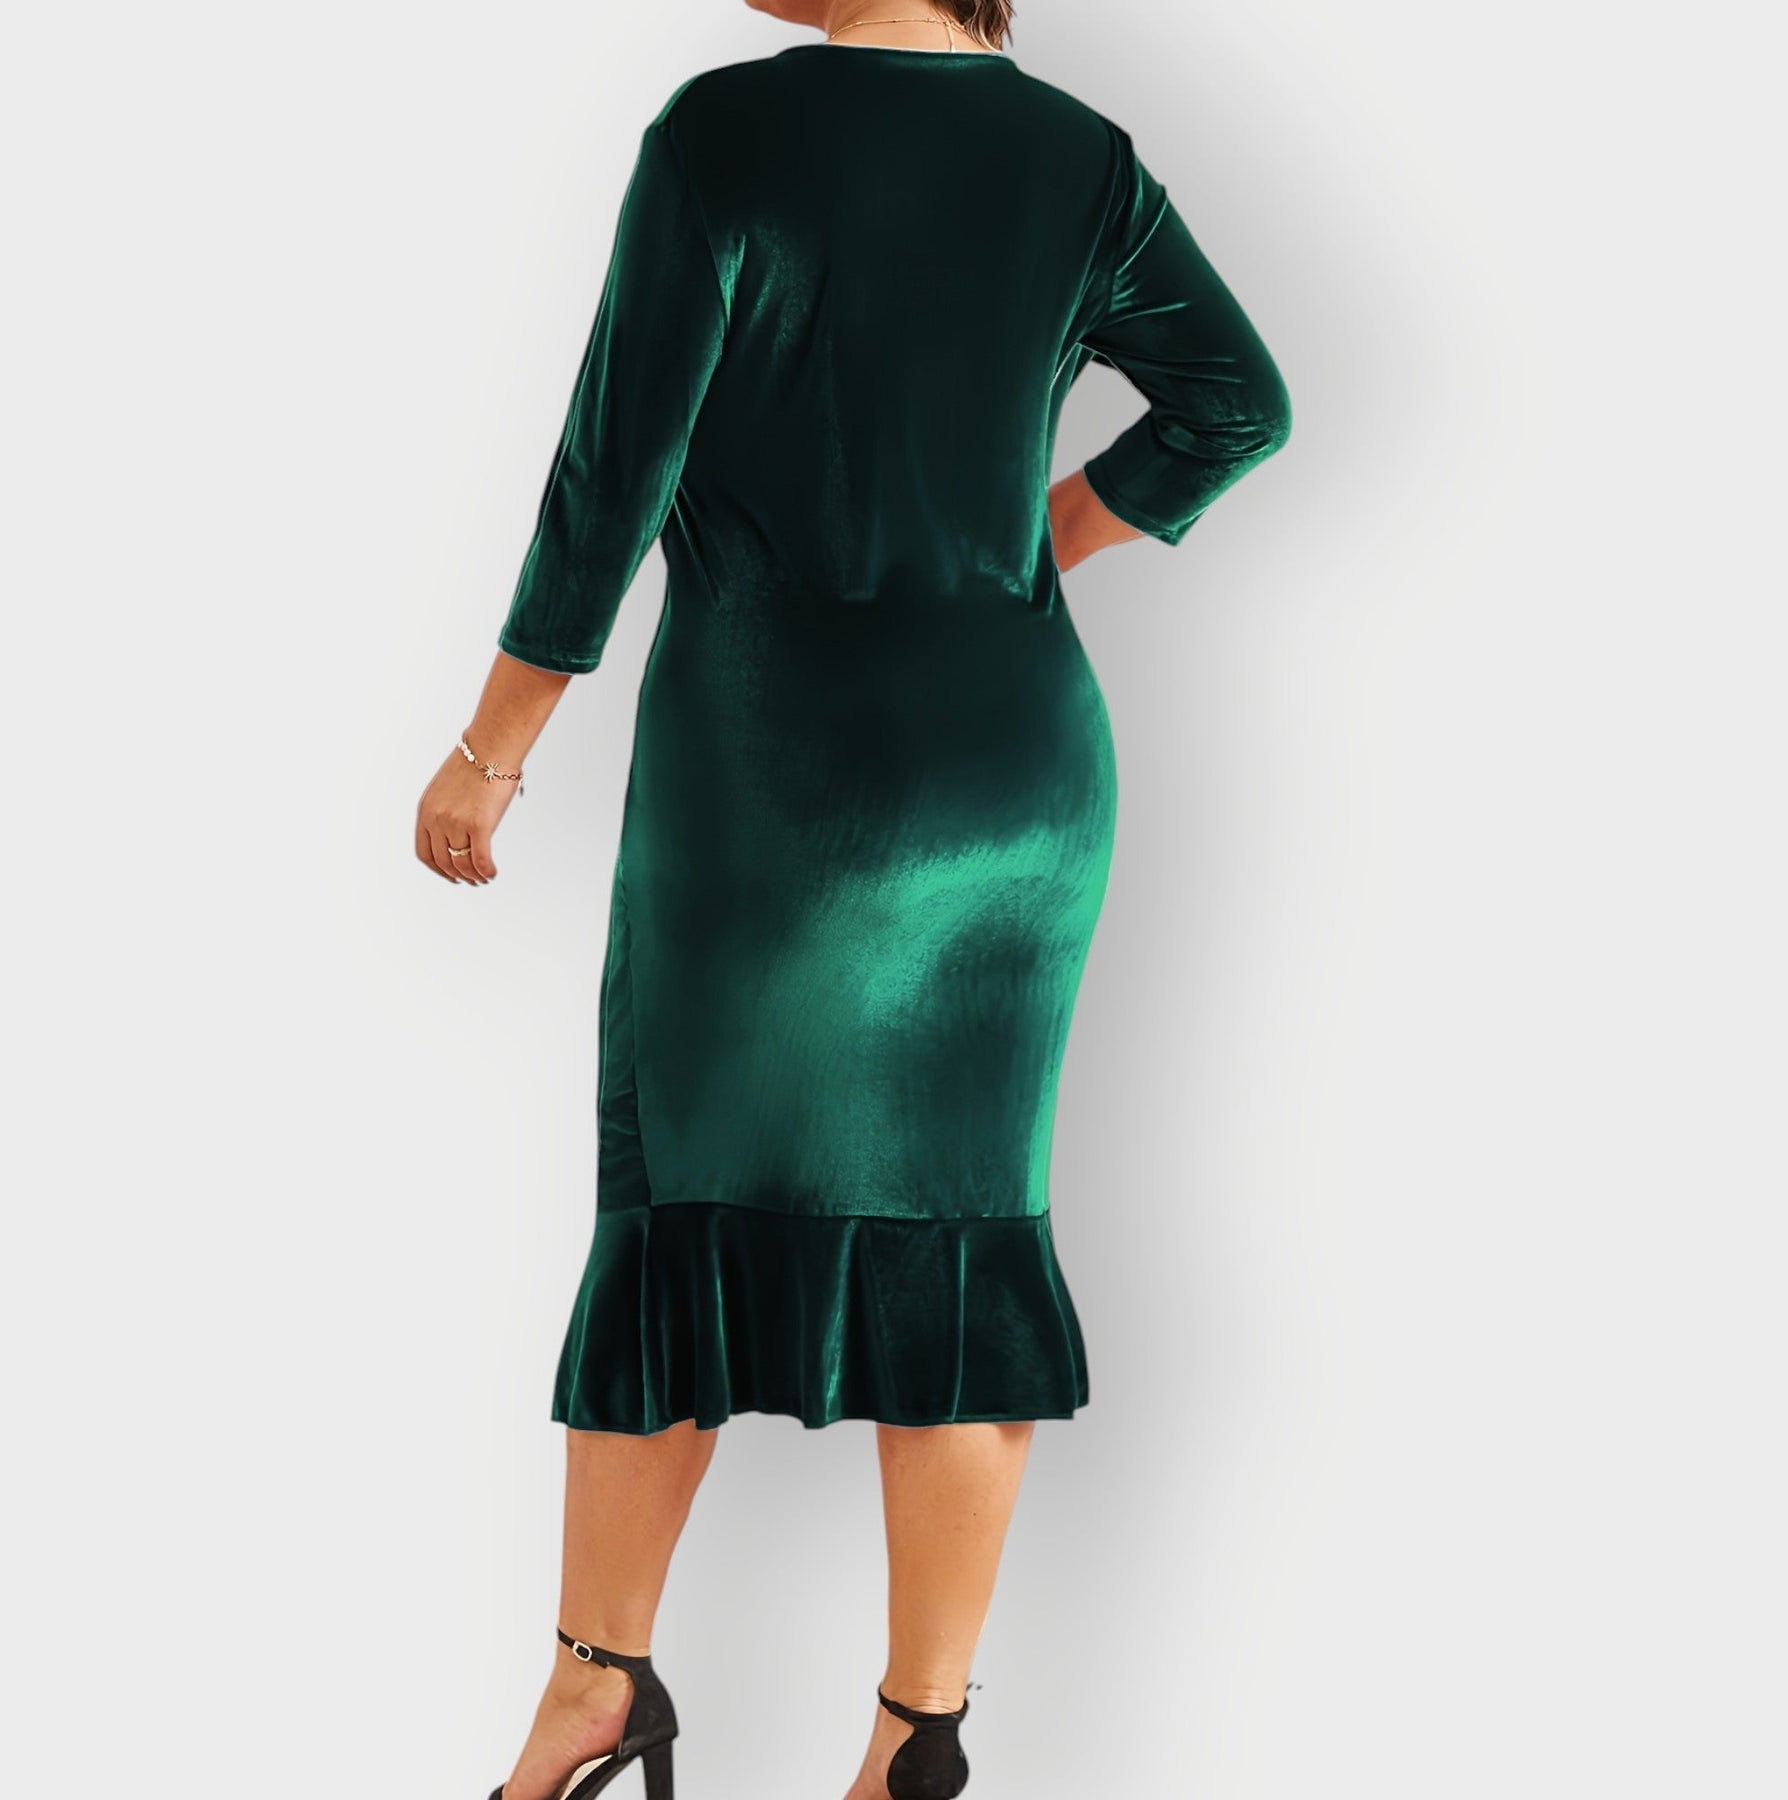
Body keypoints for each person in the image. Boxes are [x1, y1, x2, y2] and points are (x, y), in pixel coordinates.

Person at [414, 3, 1292, 1795]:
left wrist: (491, 748)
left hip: (776, 771)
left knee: (681, 1207)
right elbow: (1239, 403)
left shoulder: (725, 135)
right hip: (1013, 780)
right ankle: (915, 1739)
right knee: (966, 1232)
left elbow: (614, 470)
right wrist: (1033, 543)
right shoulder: (1082, 160)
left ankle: (596, 1690)